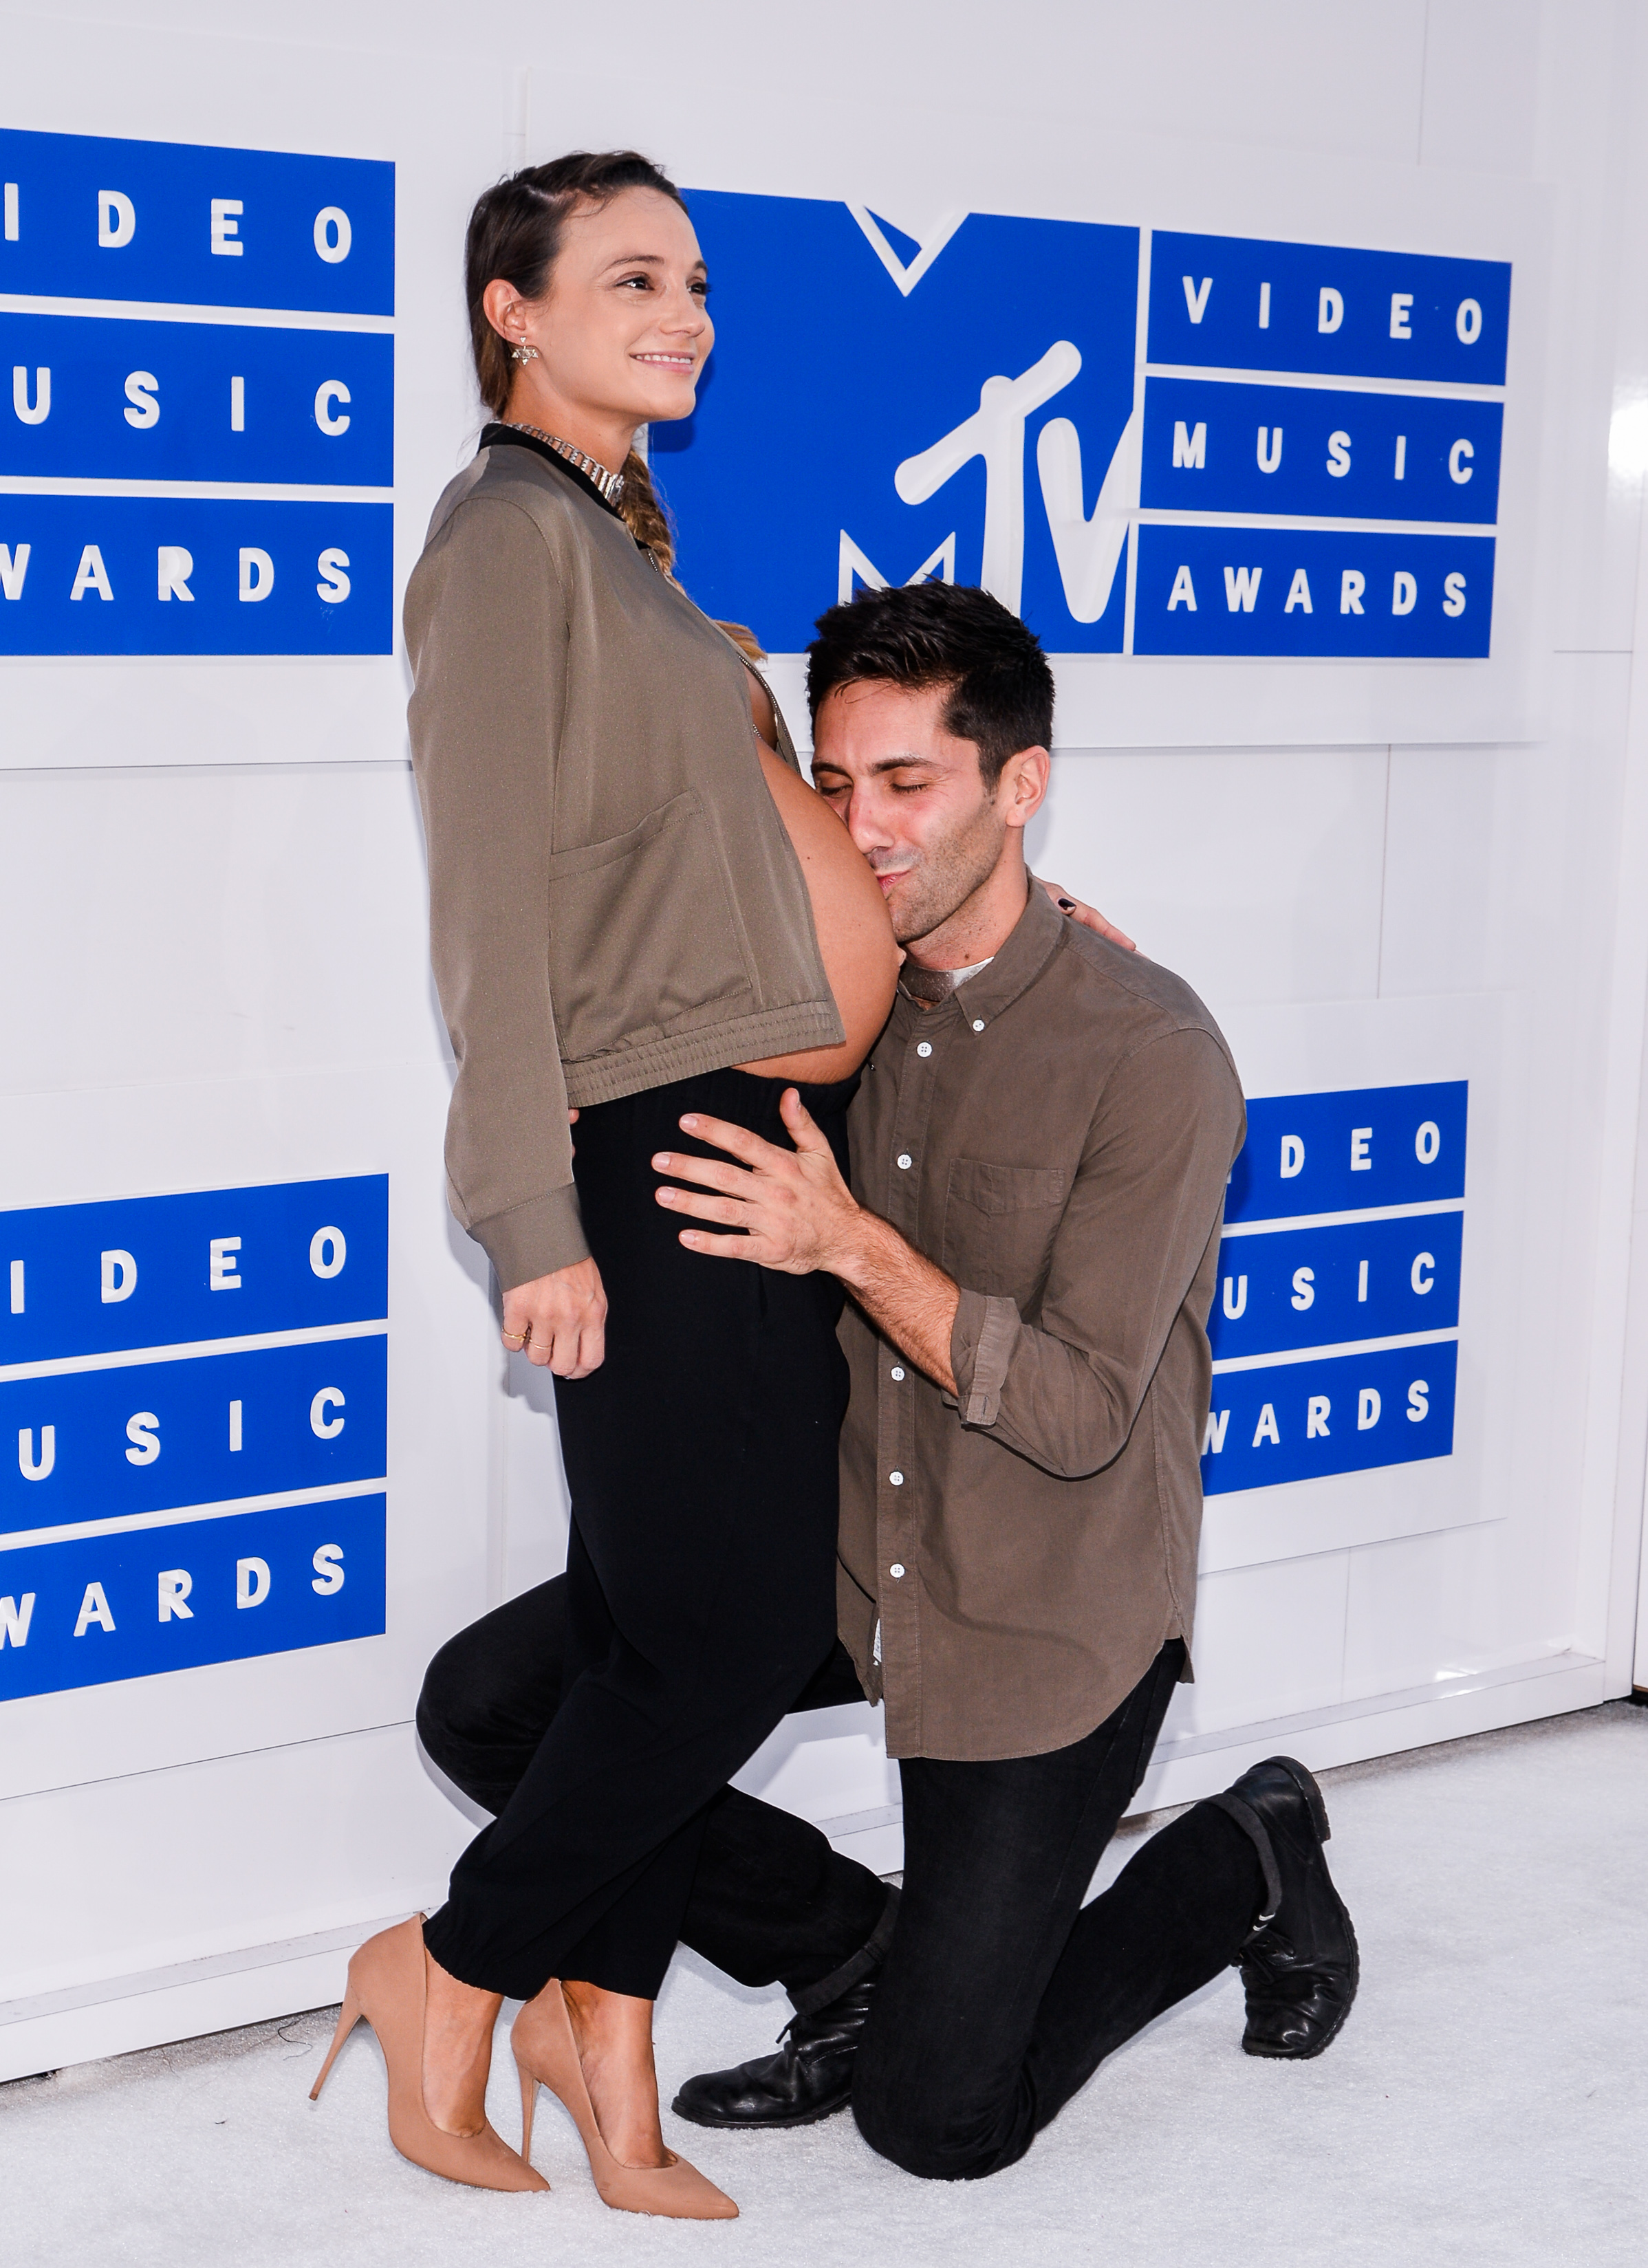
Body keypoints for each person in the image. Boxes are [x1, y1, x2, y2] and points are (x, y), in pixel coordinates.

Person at [418, 581, 1359, 2181]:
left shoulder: (1149, 1053)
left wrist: (852, 1245)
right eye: (834, 785)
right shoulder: (815, 1015)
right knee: (493, 1708)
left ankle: (1241, 1853)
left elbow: (1073, 1414)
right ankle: (857, 1948)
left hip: (1036, 1613)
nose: (861, 833)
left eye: (908, 785)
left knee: (938, 2125)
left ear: (1022, 783)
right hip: (846, 1561)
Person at [308, 151, 900, 2217]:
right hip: (632, 1155)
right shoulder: (500, 543)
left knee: (683, 1628)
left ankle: (603, 2042)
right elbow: (486, 908)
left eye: (698, 282)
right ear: (512, 311)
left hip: (738, 1138)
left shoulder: (614, 543)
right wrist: (532, 1219)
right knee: (718, 1641)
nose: (684, 312)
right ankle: (447, 1965)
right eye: (631, 277)